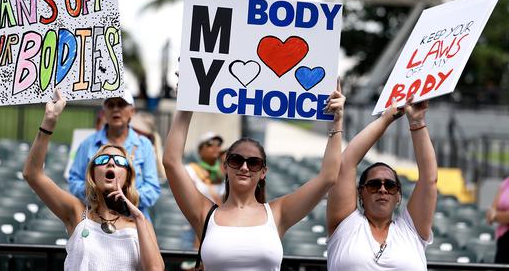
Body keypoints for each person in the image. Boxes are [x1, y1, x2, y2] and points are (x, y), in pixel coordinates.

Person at [163, 82, 345, 270]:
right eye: (236, 160)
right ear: (225, 166)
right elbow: (171, 162)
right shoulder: (204, 214)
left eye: (253, 163)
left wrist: (336, 121)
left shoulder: (278, 213)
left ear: (263, 172)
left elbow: (328, 177)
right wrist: (185, 105)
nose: (244, 167)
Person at [22, 90, 164, 270]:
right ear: (92, 174)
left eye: (119, 161)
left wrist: (136, 214)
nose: (111, 163)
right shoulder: (77, 212)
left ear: (128, 176)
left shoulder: (141, 223)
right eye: (103, 160)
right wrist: (49, 121)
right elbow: (32, 174)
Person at [326, 96, 437, 270]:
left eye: (390, 186)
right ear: (361, 192)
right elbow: (345, 164)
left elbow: (429, 179)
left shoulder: (411, 230)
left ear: (398, 196)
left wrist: (417, 121)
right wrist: (385, 120)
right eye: (374, 184)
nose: (382, 190)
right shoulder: (346, 224)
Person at [69, 89, 161, 220]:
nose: (116, 109)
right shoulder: (88, 144)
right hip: (97, 220)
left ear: (132, 112)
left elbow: (152, 188)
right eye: (110, 105)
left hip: (134, 222)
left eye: (121, 104)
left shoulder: (143, 145)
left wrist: (126, 198)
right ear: (103, 112)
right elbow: (74, 181)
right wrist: (97, 194)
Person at [186, 131, 225, 205]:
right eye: (210, 144)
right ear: (200, 150)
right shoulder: (190, 170)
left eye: (219, 144)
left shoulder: (224, 172)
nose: (215, 147)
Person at [486, 178, 509, 263]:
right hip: (502, 241)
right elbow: (490, 213)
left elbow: (493, 214)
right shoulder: (506, 182)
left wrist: (495, 215)